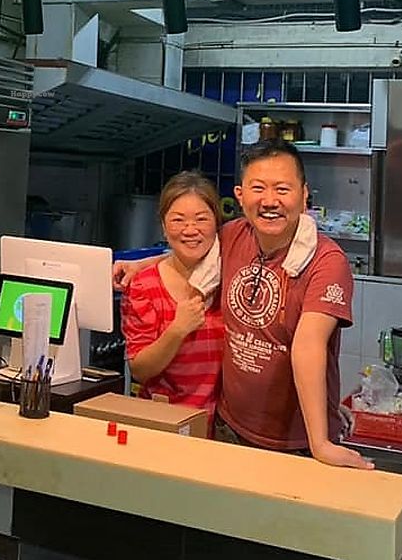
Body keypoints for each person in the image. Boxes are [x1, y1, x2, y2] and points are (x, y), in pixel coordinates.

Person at [115, 140, 372, 470]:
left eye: (282, 189)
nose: (270, 200)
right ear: (240, 195)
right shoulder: (235, 235)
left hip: (295, 443)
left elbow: (308, 346)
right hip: (228, 428)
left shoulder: (327, 261)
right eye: (258, 188)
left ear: (304, 194)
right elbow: (193, 248)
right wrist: (140, 265)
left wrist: (320, 443)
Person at [120, 172, 224, 414]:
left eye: (201, 219)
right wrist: (177, 330)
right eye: (178, 220)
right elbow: (140, 370)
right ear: (164, 228)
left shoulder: (232, 277)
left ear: (217, 223)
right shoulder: (143, 286)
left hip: (225, 425)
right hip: (166, 419)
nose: (190, 230)